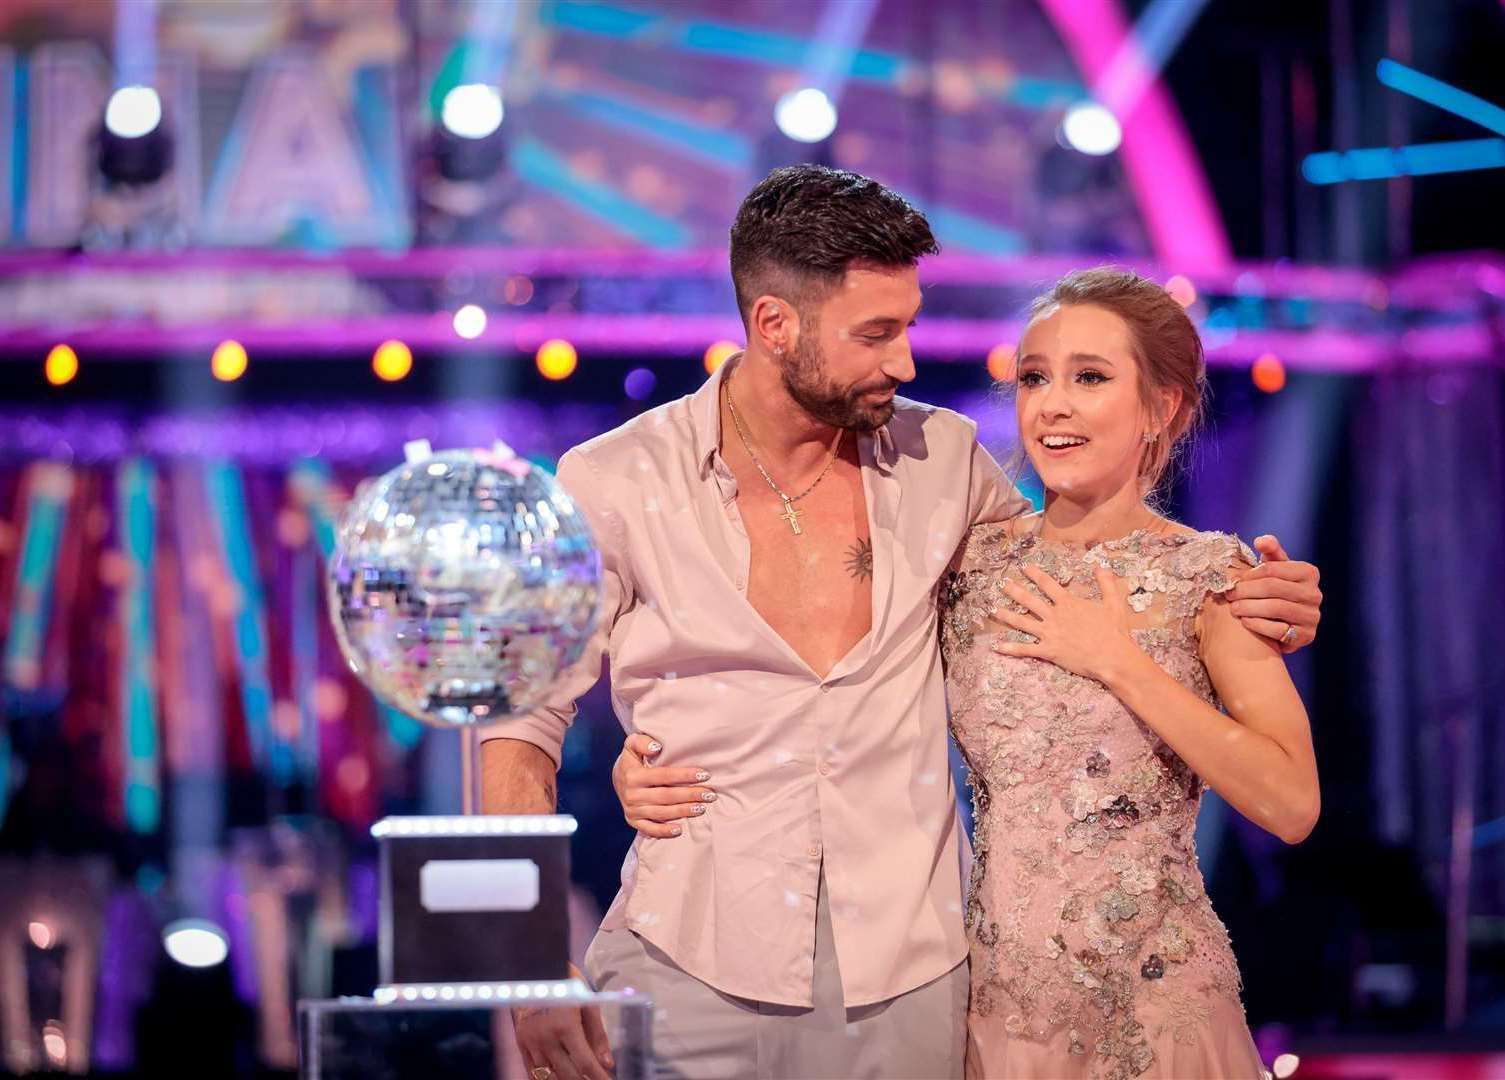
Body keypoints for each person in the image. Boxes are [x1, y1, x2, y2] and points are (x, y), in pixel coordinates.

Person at [483, 167, 1324, 1080]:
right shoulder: (611, 481)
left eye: (908, 326)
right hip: (688, 954)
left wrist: (1268, 602)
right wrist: (525, 955)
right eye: (875, 334)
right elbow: (520, 719)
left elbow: (1092, 552)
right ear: (774, 325)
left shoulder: (945, 461)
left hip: (915, 981)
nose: (906, 362)